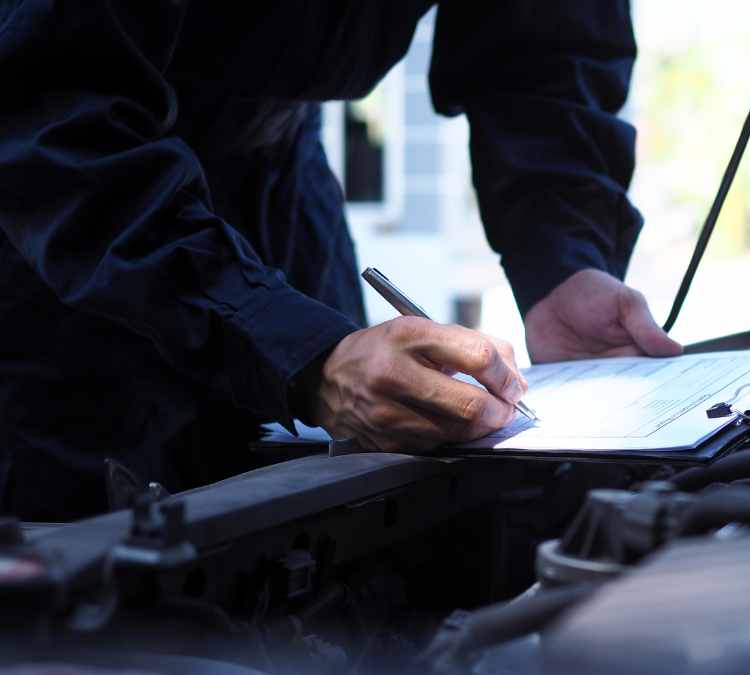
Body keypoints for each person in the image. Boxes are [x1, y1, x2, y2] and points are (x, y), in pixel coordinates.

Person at [0, 1, 681, 522]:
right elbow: (47, 108)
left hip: (280, 181)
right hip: (55, 220)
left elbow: (546, 41)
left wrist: (560, 259)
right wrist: (298, 349)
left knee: (345, 537)